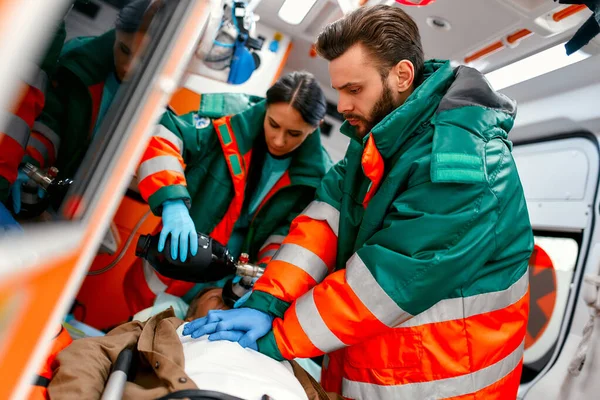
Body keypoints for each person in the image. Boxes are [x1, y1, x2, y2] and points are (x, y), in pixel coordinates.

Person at [184, 4, 534, 400]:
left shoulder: (465, 166)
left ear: (402, 75)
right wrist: (268, 299)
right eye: (339, 90)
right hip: (377, 367)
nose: (343, 105)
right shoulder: (375, 141)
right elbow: (321, 225)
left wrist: (279, 336)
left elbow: (385, 282)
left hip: (445, 383)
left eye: (354, 90)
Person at [124, 71, 331, 314]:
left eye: (294, 134)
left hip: (229, 294)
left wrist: (262, 276)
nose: (278, 140)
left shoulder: (317, 180)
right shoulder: (224, 121)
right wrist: (173, 203)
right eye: (273, 124)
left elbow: (287, 237)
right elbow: (163, 137)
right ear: (266, 105)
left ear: (315, 127)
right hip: (170, 273)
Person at [45, 288, 340, 400]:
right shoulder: (168, 328)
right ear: (193, 311)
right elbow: (91, 354)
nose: (230, 303)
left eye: (238, 302)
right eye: (216, 297)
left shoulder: (291, 356)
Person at [9, 0, 154, 214]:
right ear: (116, 31)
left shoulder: (156, 99)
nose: (127, 66)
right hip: (40, 189)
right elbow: (49, 121)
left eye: (142, 60)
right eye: (124, 49)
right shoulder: (77, 60)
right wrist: (25, 165)